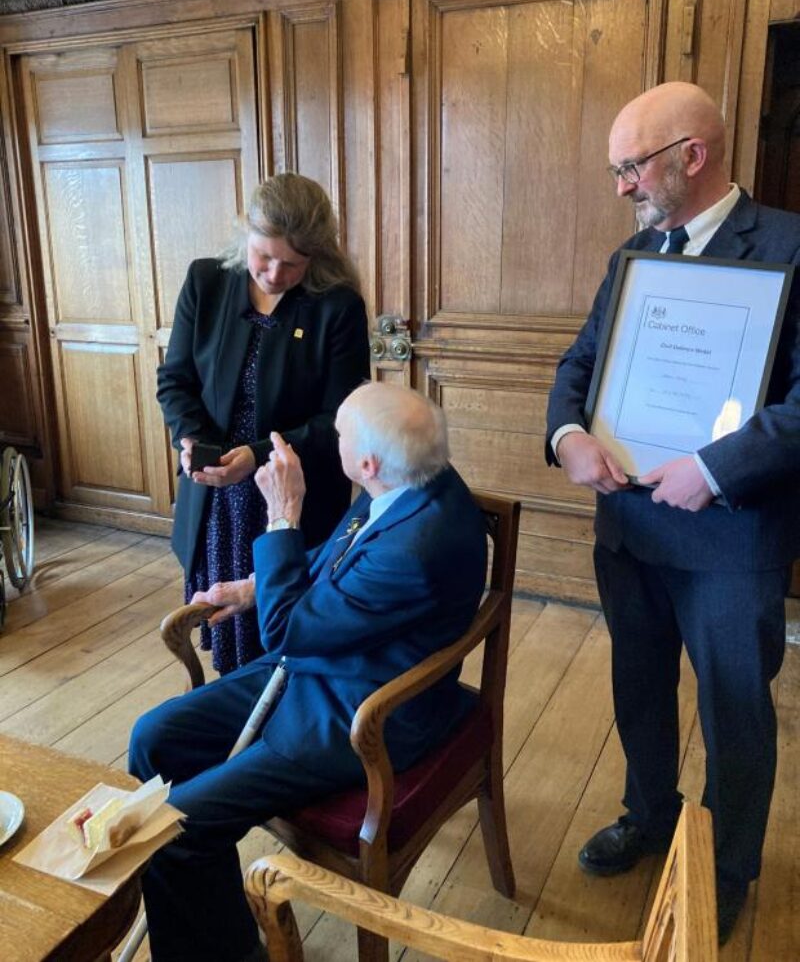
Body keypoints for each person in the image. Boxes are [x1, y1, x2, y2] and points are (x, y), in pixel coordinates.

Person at [546, 81, 800, 945]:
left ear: (692, 155)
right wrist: (570, 435)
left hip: (732, 535)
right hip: (630, 526)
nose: (622, 187)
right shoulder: (631, 257)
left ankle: (725, 871)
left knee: (735, 708)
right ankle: (649, 816)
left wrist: (716, 469)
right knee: (639, 685)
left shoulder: (792, 245)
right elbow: (578, 364)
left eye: (631, 167)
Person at [129, 382, 488, 962]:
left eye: (340, 433)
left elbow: (289, 630)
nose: (331, 438)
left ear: (367, 462)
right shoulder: (410, 479)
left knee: (179, 832)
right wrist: (250, 588)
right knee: (152, 738)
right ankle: (212, 933)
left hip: (356, 712)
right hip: (321, 661)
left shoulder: (417, 549)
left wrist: (282, 516)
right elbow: (338, 557)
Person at [157, 173, 370, 675]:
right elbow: (175, 381)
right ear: (245, 235)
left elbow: (339, 419)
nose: (274, 273)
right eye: (263, 256)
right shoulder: (206, 281)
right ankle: (232, 721)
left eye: (292, 264)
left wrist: (257, 454)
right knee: (226, 630)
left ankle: (278, 733)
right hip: (215, 498)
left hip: (291, 497)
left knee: (284, 635)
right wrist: (189, 440)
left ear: (316, 257)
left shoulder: (337, 306)